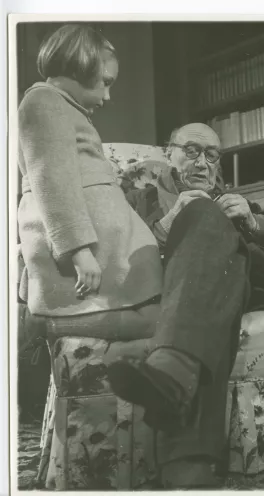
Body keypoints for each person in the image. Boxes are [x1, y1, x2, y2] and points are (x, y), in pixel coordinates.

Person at [108, 122, 264, 487]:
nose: (202, 164)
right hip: (194, 290)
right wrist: (167, 223)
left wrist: (252, 220)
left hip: (255, 282)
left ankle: (173, 375)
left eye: (212, 155)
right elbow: (119, 253)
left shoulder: (229, 197)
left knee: (206, 215)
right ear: (168, 153)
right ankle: (187, 461)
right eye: (191, 151)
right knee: (208, 313)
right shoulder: (138, 200)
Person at [18, 24, 164, 343]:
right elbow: (51, 181)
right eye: (105, 82)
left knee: (157, 318)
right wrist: (79, 252)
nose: (108, 96)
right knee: (154, 321)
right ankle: (42, 328)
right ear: (82, 63)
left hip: (106, 255)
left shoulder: (62, 107)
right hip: (85, 257)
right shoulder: (43, 102)